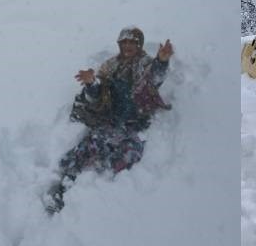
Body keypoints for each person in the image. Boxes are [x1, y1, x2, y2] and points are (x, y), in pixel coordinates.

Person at [44, 26, 174, 214]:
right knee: (87, 148)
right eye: (124, 42)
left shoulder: (145, 63)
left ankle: (101, 198)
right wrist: (91, 84)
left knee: (127, 156)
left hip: (134, 125)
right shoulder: (110, 66)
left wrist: (161, 61)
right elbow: (97, 97)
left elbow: (154, 77)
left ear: (139, 45)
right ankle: (62, 191)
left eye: (132, 42)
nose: (128, 46)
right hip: (111, 121)